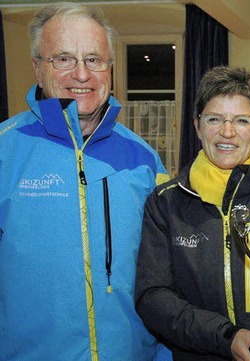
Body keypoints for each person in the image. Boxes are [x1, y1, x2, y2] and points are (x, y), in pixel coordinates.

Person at [0, 2, 171, 360]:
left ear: (110, 68)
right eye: (63, 58)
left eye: (94, 59)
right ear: (36, 67)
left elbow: (165, 276)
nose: (82, 74)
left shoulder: (145, 160)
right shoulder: (5, 150)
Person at [135, 66, 250, 361]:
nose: (227, 132)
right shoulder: (166, 203)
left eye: (242, 121)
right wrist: (224, 336)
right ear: (197, 126)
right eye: (215, 119)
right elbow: (153, 297)